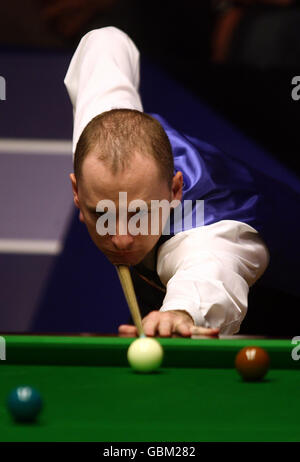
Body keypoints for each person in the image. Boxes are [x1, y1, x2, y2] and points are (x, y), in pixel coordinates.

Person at [64, 26, 277, 338]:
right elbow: (105, 42)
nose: (121, 238)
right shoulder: (99, 146)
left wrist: (180, 311)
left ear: (175, 190)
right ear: (77, 192)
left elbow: (211, 272)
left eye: (138, 214)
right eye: (103, 214)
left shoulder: (206, 233)